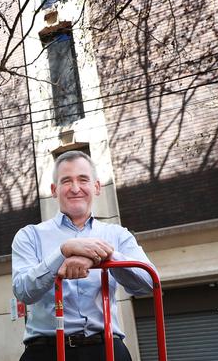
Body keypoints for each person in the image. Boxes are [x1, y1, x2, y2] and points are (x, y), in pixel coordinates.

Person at [11, 151, 155, 361]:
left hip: (106, 350)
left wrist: (103, 255)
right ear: (54, 190)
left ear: (96, 187)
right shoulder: (29, 235)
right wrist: (63, 252)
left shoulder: (117, 235)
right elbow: (23, 291)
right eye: (66, 181)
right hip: (46, 351)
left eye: (83, 179)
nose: (76, 188)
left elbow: (150, 283)